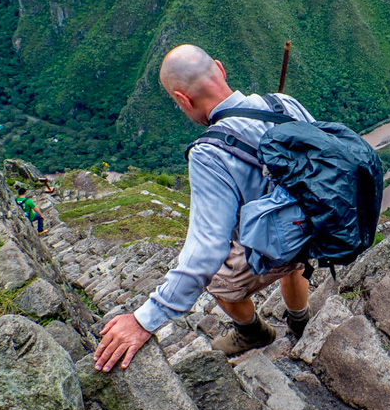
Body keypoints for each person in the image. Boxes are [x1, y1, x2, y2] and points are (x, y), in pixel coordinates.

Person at [93, 44, 314, 372]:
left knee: (214, 277)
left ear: (182, 99)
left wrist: (143, 320)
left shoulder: (209, 153)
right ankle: (301, 323)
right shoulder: (282, 103)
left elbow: (206, 252)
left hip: (283, 241)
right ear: (221, 70)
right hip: (319, 224)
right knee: (291, 256)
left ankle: (252, 332)